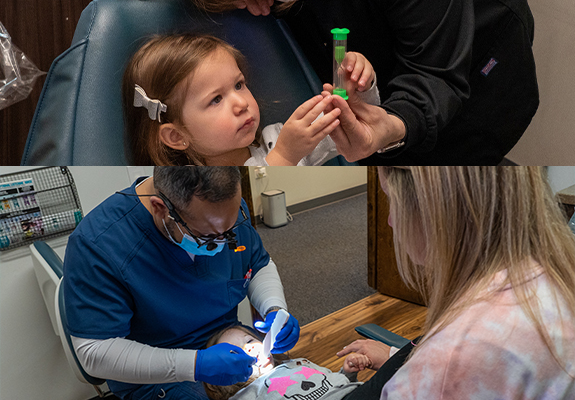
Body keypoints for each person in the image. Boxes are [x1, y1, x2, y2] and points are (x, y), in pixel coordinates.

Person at [167, 0, 539, 164]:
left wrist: (392, 126)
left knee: (449, 170)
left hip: (477, 60)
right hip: (378, 39)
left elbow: (436, 73)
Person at [63, 167, 301, 400]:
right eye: (207, 237)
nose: (222, 242)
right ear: (160, 208)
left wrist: (274, 308)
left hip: (226, 338)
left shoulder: (224, 212)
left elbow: (257, 263)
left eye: (229, 230)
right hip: (156, 376)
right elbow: (94, 353)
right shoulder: (98, 245)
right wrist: (195, 365)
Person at [337, 167, 575, 399]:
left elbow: (453, 371)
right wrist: (396, 355)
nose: (389, 220)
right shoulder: (557, 273)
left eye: (392, 200)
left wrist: (426, 369)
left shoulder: (449, 365)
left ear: (434, 210)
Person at [121, 33, 380, 165]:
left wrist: (357, 90)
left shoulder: (279, 137)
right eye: (216, 100)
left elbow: (357, 126)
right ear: (177, 136)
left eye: (239, 85)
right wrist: (286, 155)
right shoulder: (198, 184)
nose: (241, 103)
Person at [201, 325, 369, 400]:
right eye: (238, 351)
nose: (250, 348)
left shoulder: (298, 363)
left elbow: (331, 383)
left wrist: (347, 373)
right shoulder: (247, 394)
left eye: (250, 341)